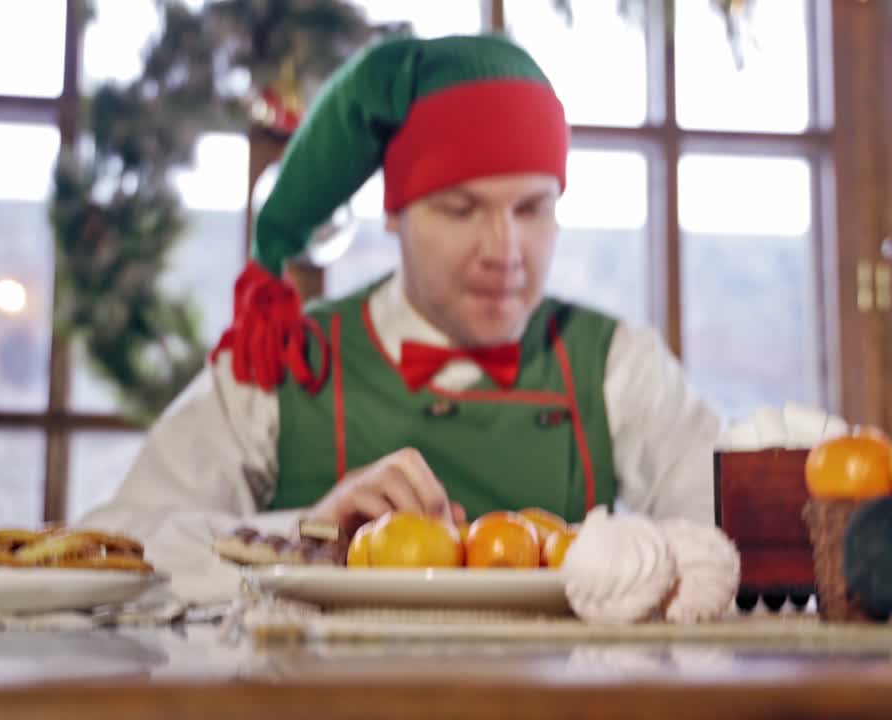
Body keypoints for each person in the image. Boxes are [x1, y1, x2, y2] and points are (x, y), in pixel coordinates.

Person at [80, 33, 722, 601]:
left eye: (531, 209)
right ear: (395, 213)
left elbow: (733, 536)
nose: (504, 252)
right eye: (461, 209)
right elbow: (114, 546)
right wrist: (309, 536)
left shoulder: (619, 366)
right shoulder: (282, 362)